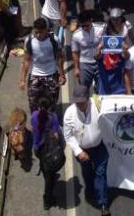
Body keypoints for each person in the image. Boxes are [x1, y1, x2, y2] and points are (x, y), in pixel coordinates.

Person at [63, 85, 111, 216]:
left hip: (99, 147)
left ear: (87, 99)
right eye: (77, 102)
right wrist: (78, 151)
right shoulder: (69, 114)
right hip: (83, 150)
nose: (79, 105)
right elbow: (68, 136)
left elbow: (114, 104)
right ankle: (89, 189)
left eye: (82, 102)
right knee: (88, 173)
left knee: (100, 173)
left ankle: (103, 203)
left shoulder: (97, 104)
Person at [20, 18, 66, 112]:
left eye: (41, 32)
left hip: (51, 75)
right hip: (35, 76)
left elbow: (59, 58)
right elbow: (26, 60)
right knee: (33, 103)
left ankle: (50, 122)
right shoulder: (29, 41)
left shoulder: (54, 40)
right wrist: (22, 79)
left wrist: (62, 75)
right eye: (36, 32)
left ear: (46, 30)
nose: (38, 35)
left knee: (52, 103)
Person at [31, 96, 63, 212]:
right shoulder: (53, 117)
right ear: (49, 106)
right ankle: (47, 200)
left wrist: (36, 148)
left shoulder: (34, 116)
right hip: (50, 151)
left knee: (45, 169)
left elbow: (36, 134)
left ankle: (46, 175)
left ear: (39, 107)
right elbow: (56, 135)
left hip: (39, 149)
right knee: (50, 177)